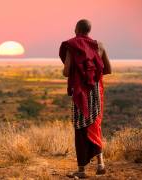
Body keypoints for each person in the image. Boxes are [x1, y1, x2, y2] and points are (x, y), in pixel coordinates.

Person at [59, 19, 112, 178]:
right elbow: (108, 69)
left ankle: (81, 171)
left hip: (80, 93)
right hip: (94, 91)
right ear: (89, 30)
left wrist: (77, 72)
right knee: (94, 125)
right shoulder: (99, 45)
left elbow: (66, 72)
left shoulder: (71, 46)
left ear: (76, 29)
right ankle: (100, 164)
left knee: (80, 129)